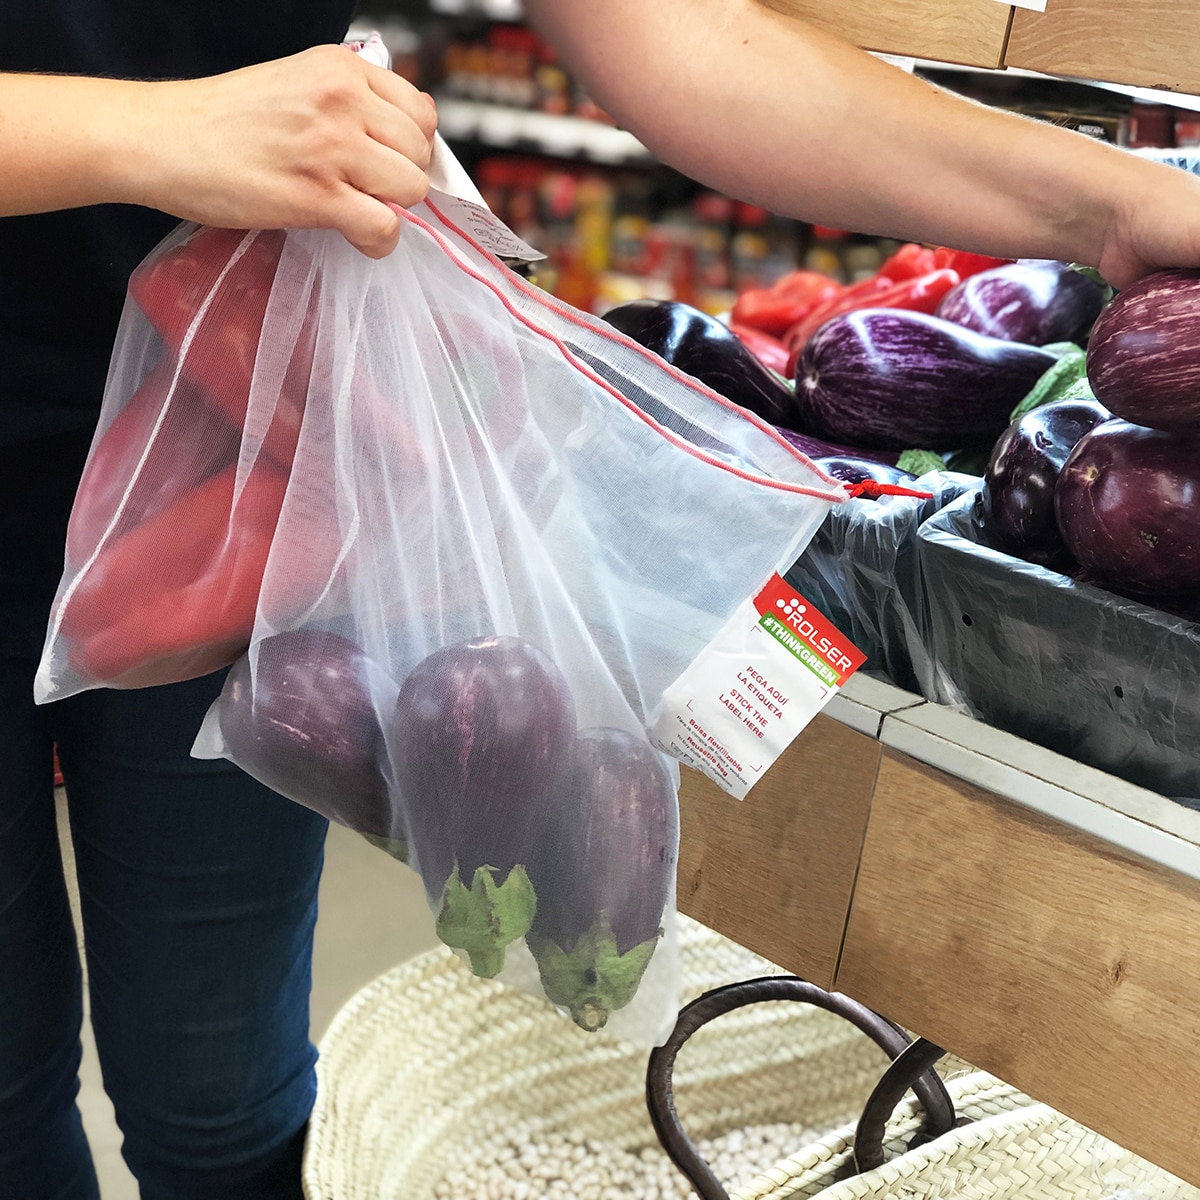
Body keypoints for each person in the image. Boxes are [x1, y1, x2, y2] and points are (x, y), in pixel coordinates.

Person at [1, 3, 1197, 1198]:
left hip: (261, 444)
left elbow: (673, 36)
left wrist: (1107, 201)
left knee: (216, 1085)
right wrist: (137, 129)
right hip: (217, 406)